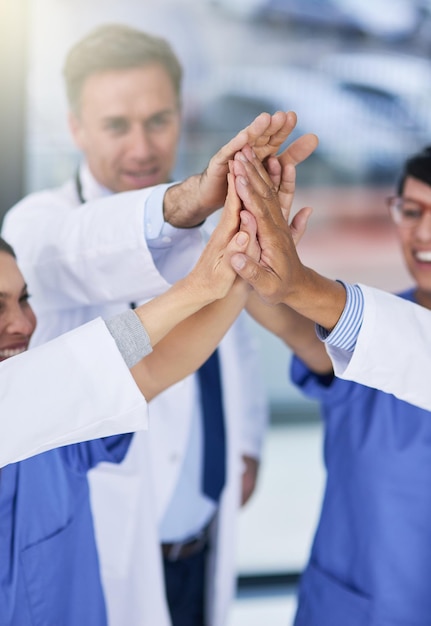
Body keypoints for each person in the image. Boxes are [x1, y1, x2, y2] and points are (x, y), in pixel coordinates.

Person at [2, 24, 318, 625]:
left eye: (158, 120)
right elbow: (113, 339)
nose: (142, 146)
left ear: (182, 114)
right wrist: (191, 215)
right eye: (117, 125)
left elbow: (203, 356)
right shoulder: (38, 230)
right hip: (106, 545)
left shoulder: (210, 221)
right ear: (75, 128)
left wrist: (245, 443)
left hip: (200, 527)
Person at [0, 168, 263, 625]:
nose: (23, 323)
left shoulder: (56, 421)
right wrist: (196, 287)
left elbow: (154, 366)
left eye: (25, 299)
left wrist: (245, 260)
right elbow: (89, 363)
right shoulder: (35, 400)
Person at [228, 145, 431, 625]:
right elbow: (292, 322)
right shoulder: (363, 329)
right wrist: (248, 244)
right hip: (353, 606)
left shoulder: (370, 326)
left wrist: (296, 281)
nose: (422, 233)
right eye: (411, 210)